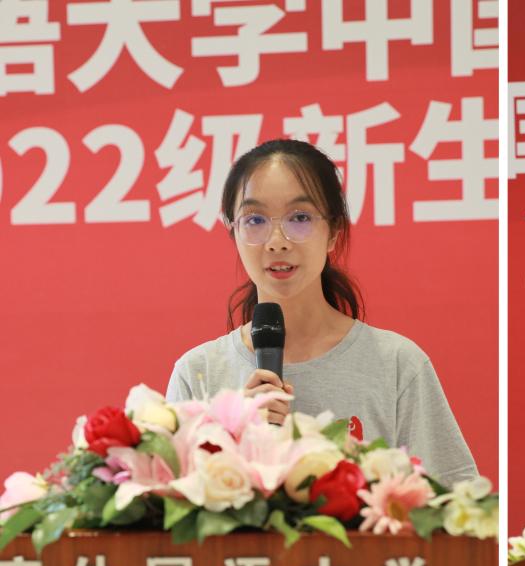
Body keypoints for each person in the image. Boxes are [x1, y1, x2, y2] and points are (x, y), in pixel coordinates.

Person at [166, 139, 478, 488]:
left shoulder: (397, 365)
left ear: (333, 232)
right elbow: (166, 508)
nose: (277, 241)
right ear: (234, 232)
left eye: (300, 218)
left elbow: (454, 500)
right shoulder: (198, 374)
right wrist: (232, 438)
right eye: (255, 220)